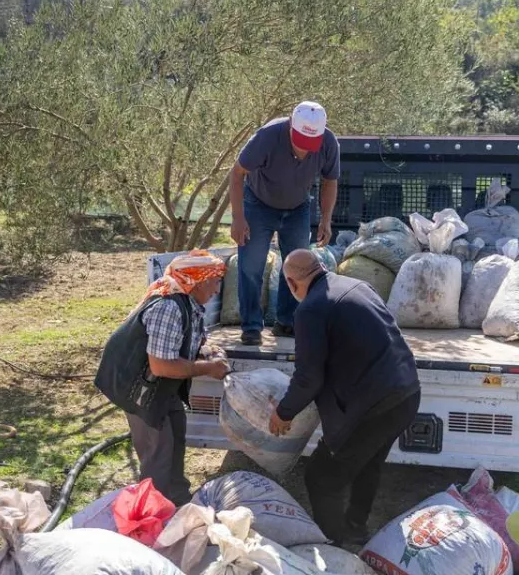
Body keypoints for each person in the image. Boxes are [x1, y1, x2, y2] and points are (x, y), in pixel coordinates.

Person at [269, 250, 421, 546]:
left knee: (321, 477)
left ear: (291, 282)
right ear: (322, 268)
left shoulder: (311, 309)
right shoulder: (358, 285)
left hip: (375, 406)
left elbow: (308, 377)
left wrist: (283, 413)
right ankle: (355, 526)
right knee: (368, 462)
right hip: (406, 393)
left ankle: (334, 543)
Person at [94, 250, 229, 505]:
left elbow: (188, 342)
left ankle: (177, 501)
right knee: (158, 455)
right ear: (199, 281)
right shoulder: (169, 306)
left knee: (176, 436)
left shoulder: (189, 303)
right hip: (140, 389)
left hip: (161, 387)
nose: (217, 289)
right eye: (215, 280)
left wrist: (208, 351)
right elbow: (161, 366)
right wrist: (207, 368)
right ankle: (152, 517)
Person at [229, 101, 340, 346]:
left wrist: (326, 219)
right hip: (258, 204)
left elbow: (330, 181)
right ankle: (251, 327)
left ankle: (286, 322)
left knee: (299, 266)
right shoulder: (267, 137)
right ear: (291, 125)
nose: (304, 150)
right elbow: (237, 173)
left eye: (310, 145)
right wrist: (238, 217)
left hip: (298, 207)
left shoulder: (329, 143)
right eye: (300, 141)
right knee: (251, 265)